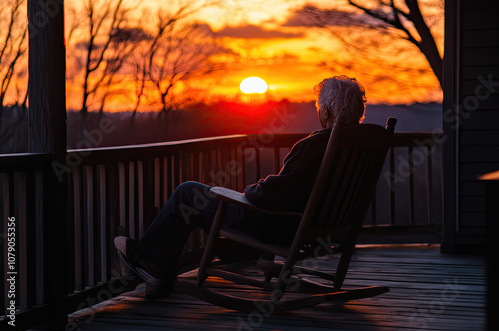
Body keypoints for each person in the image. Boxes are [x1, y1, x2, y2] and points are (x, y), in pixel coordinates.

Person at [114, 75, 367, 293]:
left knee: (187, 193)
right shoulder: (360, 148)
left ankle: (150, 262)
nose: (318, 112)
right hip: (319, 230)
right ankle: (216, 256)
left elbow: (269, 195)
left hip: (275, 227)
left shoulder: (316, 144)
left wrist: (250, 191)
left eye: (319, 107)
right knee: (206, 204)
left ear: (327, 112)